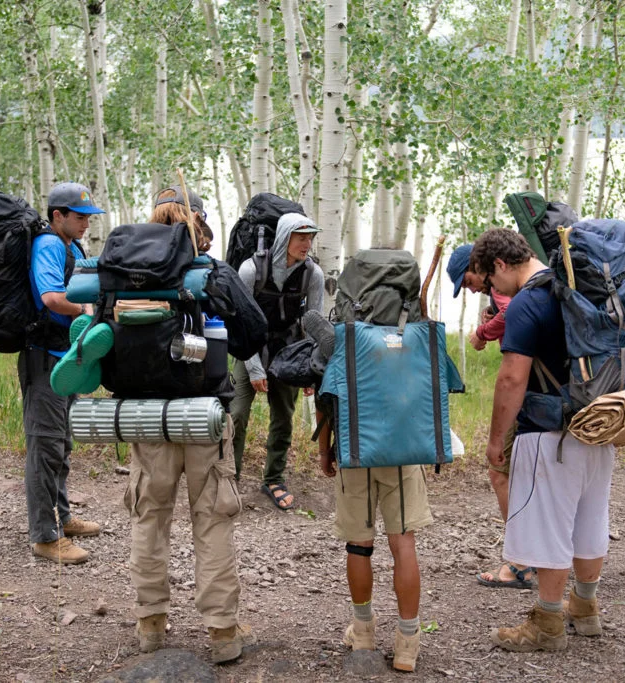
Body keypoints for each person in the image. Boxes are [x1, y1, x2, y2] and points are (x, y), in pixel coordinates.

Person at [124, 186, 266, 664]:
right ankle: (223, 632)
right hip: (204, 417)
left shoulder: (127, 275)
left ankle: (150, 625)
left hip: (148, 418)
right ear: (198, 224)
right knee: (212, 521)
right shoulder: (212, 272)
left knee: (149, 517)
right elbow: (252, 336)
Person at [471, 229, 614, 652]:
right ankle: (585, 610)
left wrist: (497, 440)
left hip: (548, 432)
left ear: (500, 264)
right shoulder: (575, 289)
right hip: (598, 424)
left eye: (491, 282)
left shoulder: (529, 301)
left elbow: (513, 377)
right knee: (590, 521)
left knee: (550, 526)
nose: (493, 291)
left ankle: (548, 624)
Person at [21, 182, 103, 565]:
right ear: (58, 215)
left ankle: (63, 518)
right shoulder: (49, 245)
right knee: (46, 446)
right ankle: (44, 536)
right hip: (45, 360)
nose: (87, 223)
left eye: (88, 217)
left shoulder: (71, 246)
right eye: (80, 216)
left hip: (66, 357)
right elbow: (52, 297)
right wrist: (88, 312)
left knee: (62, 444)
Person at [315, 405, 431, 673]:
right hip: (404, 447)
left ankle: (363, 631)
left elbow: (323, 401)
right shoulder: (412, 358)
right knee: (403, 545)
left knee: (358, 545)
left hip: (355, 448)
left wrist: (325, 450)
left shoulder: (340, 358)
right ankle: (407, 641)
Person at [447, 244, 534, 590]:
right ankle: (540, 554)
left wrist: (482, 333)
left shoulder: (502, 287)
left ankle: (520, 561)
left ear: (480, 266)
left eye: (466, 280)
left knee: (500, 471)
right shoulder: (513, 284)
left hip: (526, 390)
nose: (468, 288)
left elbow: (512, 315)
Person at [230, 213, 324, 510]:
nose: (307, 244)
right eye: (301, 237)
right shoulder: (250, 270)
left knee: (282, 418)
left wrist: (312, 371)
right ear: (285, 238)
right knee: (236, 416)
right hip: (249, 347)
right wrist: (255, 368)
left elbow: (314, 325)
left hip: (288, 351)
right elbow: (240, 323)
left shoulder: (313, 274)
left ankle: (274, 479)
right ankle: (228, 479)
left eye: (310, 237)